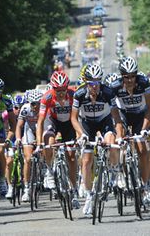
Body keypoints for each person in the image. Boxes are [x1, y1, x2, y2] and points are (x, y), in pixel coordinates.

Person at [70, 64, 124, 216]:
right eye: (92, 83)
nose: (95, 86)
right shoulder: (79, 94)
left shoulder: (108, 92)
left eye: (98, 82)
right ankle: (88, 194)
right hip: (87, 125)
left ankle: (113, 171)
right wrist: (81, 134)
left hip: (104, 121)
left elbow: (116, 117)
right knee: (86, 161)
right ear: (86, 83)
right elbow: (73, 118)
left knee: (112, 142)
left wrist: (119, 135)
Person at [109, 57, 150, 206]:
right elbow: (114, 112)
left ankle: (146, 185)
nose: (130, 80)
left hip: (140, 116)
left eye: (132, 76)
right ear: (121, 76)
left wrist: (144, 130)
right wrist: (119, 134)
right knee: (119, 142)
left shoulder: (143, 83)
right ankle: (121, 174)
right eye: (126, 77)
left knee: (142, 150)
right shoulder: (115, 86)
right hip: (123, 115)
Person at [36, 71, 79, 208]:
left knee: (71, 157)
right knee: (49, 142)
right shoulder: (47, 97)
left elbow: (80, 117)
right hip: (52, 121)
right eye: (57, 90)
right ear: (52, 88)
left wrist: (79, 135)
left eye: (63, 90)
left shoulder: (73, 95)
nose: (61, 93)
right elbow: (41, 121)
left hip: (69, 123)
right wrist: (39, 144)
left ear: (67, 87)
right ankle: (49, 170)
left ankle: (74, 190)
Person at [15, 89, 43, 202]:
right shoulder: (25, 109)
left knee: (44, 147)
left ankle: (44, 167)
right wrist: (17, 139)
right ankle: (26, 188)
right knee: (27, 159)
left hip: (42, 128)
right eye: (33, 103)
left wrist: (39, 140)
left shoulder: (44, 108)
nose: (35, 106)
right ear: (29, 103)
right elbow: (19, 126)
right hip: (29, 131)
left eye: (38, 103)